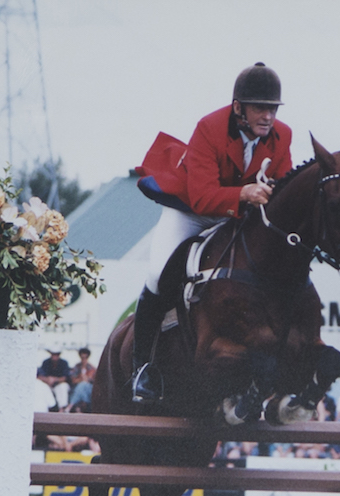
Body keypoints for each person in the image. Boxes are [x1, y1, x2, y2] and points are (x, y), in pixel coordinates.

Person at [133, 62, 292, 403]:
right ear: (238, 108)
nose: (268, 116)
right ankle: (142, 367)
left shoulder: (283, 136)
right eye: (260, 108)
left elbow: (282, 185)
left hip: (237, 216)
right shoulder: (209, 128)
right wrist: (245, 193)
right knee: (158, 276)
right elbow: (204, 196)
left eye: (272, 109)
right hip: (191, 212)